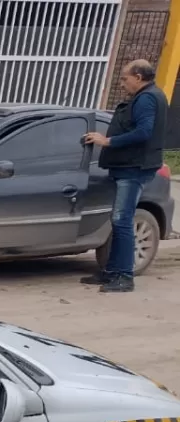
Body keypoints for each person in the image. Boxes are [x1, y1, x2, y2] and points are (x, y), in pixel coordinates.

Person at [82, 59, 169, 293]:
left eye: (124, 78)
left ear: (138, 77)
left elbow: (143, 132)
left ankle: (124, 276)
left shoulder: (147, 98)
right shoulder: (151, 95)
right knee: (119, 219)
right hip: (131, 166)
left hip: (133, 169)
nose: (122, 83)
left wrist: (107, 141)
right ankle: (112, 271)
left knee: (122, 220)